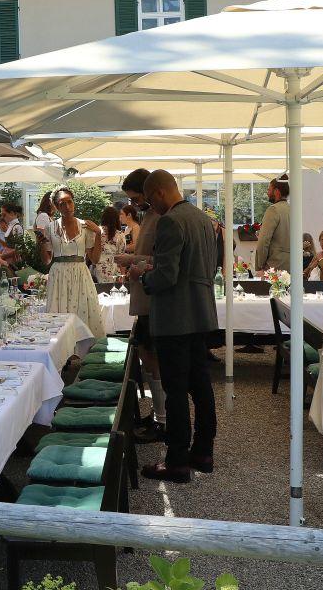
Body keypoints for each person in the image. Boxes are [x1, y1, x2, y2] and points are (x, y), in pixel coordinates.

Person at [129, 169, 218, 482]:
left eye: (150, 200)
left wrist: (143, 277)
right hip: (201, 313)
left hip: (175, 318)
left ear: (159, 192)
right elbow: (207, 266)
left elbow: (167, 276)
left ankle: (177, 461)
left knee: (176, 390)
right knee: (201, 386)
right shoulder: (203, 219)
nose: (151, 207)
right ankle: (203, 452)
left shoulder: (170, 221)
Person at [114, 169, 166, 440]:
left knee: (154, 361)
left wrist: (131, 261)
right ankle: (159, 413)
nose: (133, 205)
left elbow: (162, 261)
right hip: (144, 299)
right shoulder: (149, 216)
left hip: (152, 300)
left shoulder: (161, 218)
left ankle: (162, 419)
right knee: (148, 358)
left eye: (135, 199)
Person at [40, 187, 106, 338]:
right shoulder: (50, 227)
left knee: (83, 312)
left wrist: (98, 233)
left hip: (80, 275)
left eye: (69, 202)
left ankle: (85, 348)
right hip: (58, 276)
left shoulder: (85, 226)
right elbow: (46, 261)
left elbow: (95, 259)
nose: (67, 206)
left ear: (73, 202)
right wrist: (41, 244)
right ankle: (61, 348)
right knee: (59, 316)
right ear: (56, 207)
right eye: (62, 203)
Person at [255, 176, 290, 274]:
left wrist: (260, 264)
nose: (267, 193)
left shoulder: (273, 210)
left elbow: (263, 241)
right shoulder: (292, 209)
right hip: (292, 266)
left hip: (274, 267)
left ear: (277, 191)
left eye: (269, 190)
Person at [93, 205, 127, 283]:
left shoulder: (96, 232)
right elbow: (122, 258)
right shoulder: (120, 235)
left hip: (98, 271)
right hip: (114, 272)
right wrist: (123, 275)